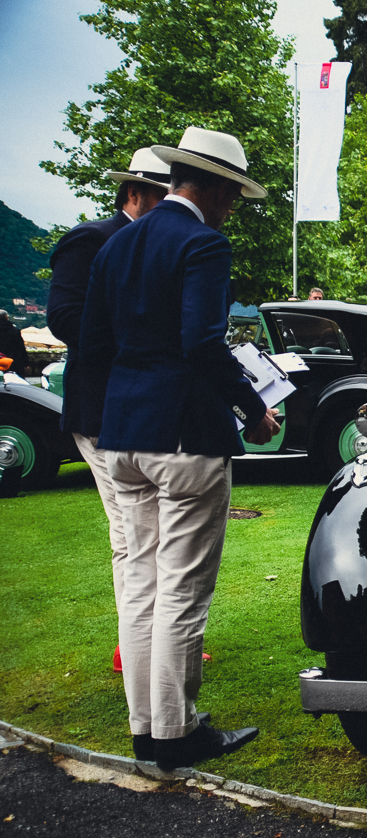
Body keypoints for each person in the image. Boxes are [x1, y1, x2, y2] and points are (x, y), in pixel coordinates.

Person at [75, 127, 278, 770]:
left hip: (123, 432)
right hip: (184, 433)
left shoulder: (118, 243)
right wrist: (253, 407)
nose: (232, 208)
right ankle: (175, 732)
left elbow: (94, 344)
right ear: (214, 189)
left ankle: (146, 728)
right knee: (182, 590)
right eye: (233, 196)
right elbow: (201, 343)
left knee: (140, 582)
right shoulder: (202, 244)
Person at [48, 147, 172, 656]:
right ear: (134, 193)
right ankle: (137, 644)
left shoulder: (160, 246)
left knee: (153, 532)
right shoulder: (93, 239)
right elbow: (64, 317)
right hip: (101, 407)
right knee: (130, 533)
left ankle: (155, 633)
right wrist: (138, 343)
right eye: (163, 196)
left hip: (145, 409)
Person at [0, 310, 28, 377]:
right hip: (14, 361)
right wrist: (25, 362)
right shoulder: (15, 331)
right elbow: (21, 348)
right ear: (6, 317)